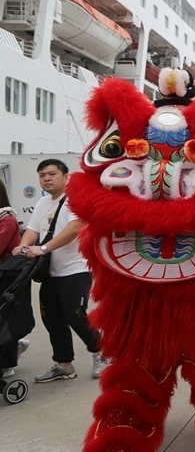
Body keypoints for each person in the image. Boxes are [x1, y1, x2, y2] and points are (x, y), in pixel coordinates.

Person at [12, 159, 106, 382]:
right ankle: (64, 364)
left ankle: (101, 352)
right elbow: (33, 230)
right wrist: (23, 246)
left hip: (76, 269)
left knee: (74, 313)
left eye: (52, 174)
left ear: (65, 177)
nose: (47, 178)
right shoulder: (43, 203)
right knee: (51, 317)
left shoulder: (75, 200)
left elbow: (75, 227)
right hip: (50, 272)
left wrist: (43, 248)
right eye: (42, 175)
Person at [0, 178, 31, 379]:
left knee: (4, 319)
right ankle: (16, 345)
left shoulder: (7, 219)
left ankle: (7, 363)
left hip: (6, 276)